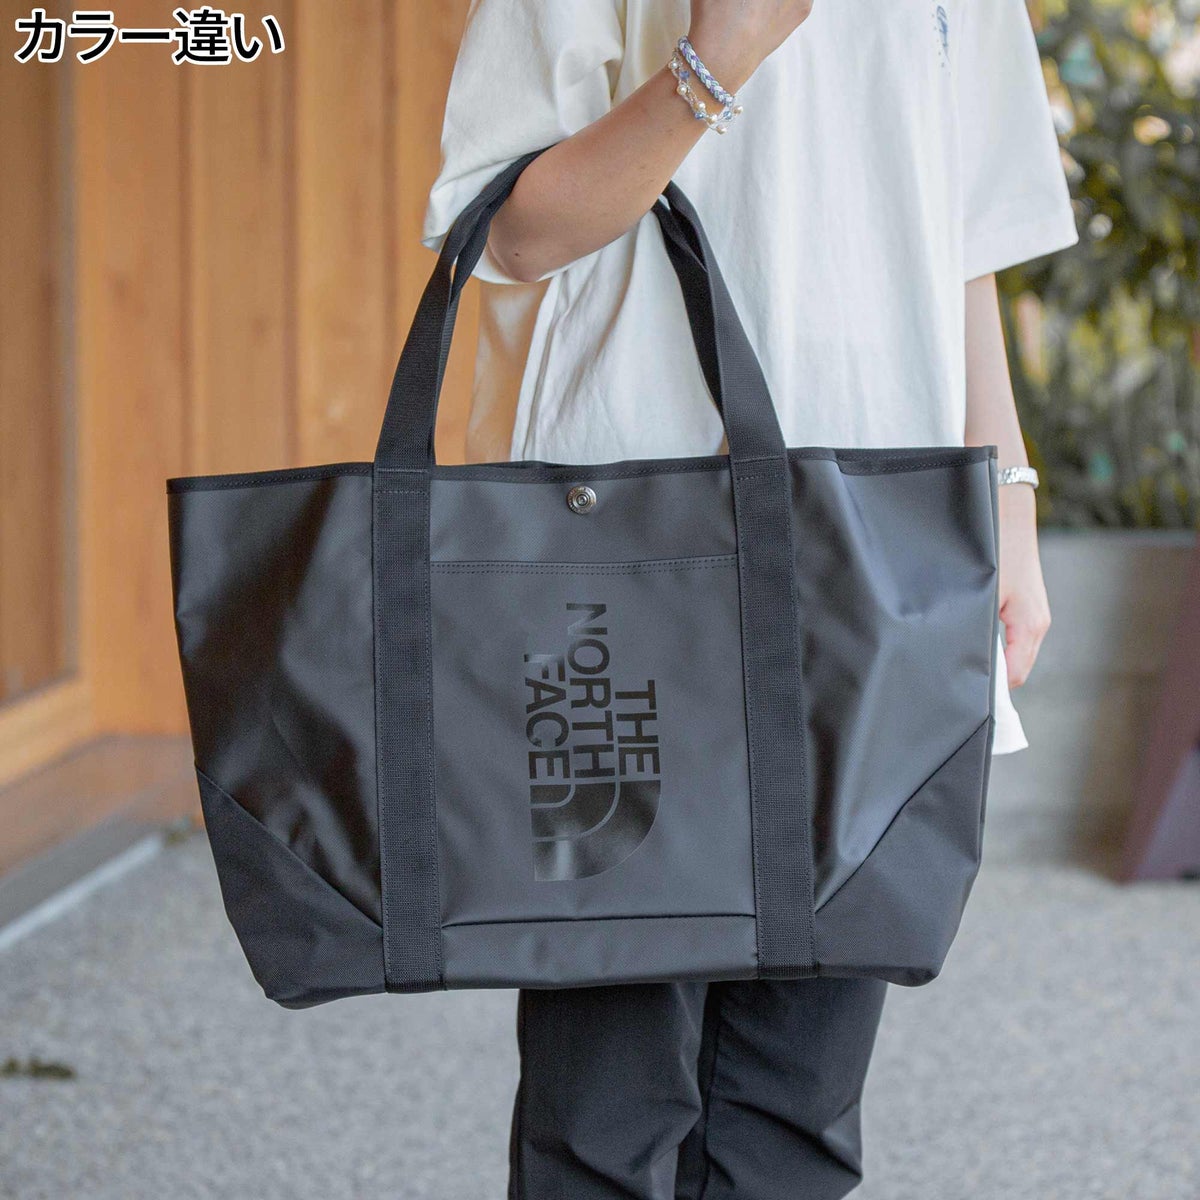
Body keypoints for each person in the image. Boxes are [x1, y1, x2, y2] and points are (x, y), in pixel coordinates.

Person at [422, 2, 1079, 1197]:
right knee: (607, 1091)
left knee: (804, 1092)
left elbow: (963, 237)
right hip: (617, 543)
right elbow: (511, 232)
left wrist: (1010, 495)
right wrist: (714, 60)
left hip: (879, 527)